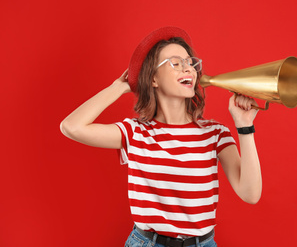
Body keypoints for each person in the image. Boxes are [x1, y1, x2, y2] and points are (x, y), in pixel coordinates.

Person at [60, 26, 262, 247]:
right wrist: (118, 87)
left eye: (190, 62)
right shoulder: (136, 132)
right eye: (176, 63)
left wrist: (245, 126)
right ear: (153, 79)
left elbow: (250, 194)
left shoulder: (215, 133)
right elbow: (71, 126)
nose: (188, 69)